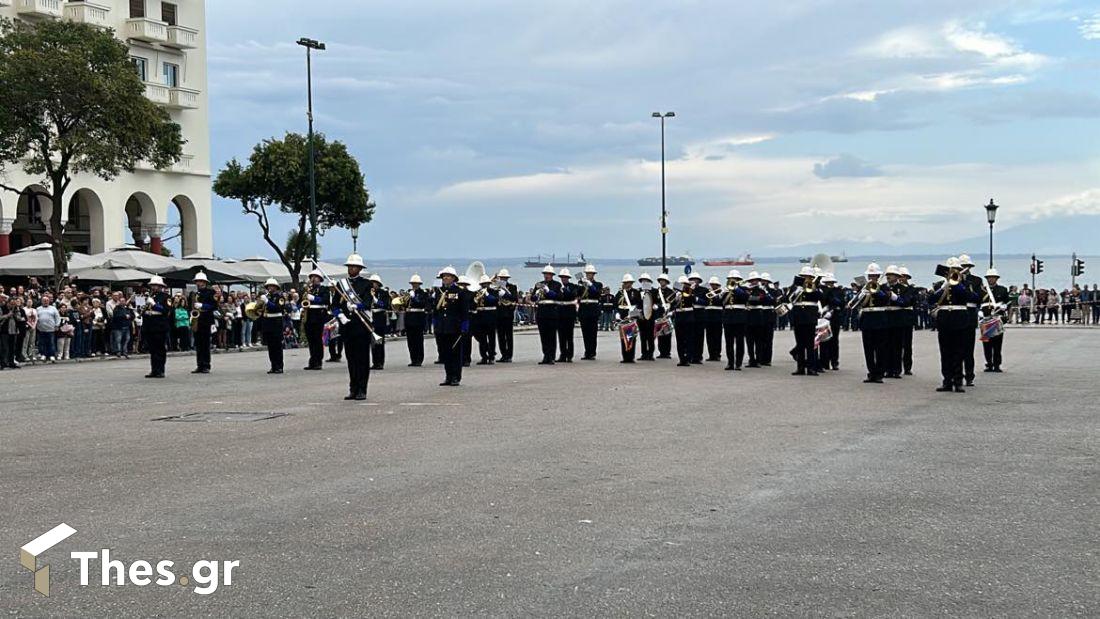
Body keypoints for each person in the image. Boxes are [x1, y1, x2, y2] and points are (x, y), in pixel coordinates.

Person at [931, 257, 978, 392]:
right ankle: (947, 381)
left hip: (960, 319)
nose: (953, 272)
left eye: (956, 270)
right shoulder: (941, 285)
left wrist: (959, 285)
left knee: (959, 352)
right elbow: (931, 299)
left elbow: (974, 298)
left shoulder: (966, 283)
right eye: (951, 270)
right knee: (945, 352)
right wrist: (944, 287)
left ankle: (958, 381)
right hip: (945, 319)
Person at [332, 254, 373, 400]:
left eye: (354, 266)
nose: (352, 269)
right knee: (351, 359)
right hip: (347, 326)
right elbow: (335, 305)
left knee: (362, 359)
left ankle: (362, 389)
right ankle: (353, 388)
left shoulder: (366, 284)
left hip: (361, 326)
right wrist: (340, 315)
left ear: (360, 268)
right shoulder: (341, 284)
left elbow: (368, 303)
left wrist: (357, 305)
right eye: (350, 266)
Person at [431, 266, 469, 386]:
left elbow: (464, 310)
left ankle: (456, 377)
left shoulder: (460, 292)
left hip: (455, 326)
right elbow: (435, 310)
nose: (445, 278)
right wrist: (435, 324)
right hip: (442, 326)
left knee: (455, 353)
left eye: (448, 276)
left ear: (453, 278)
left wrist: (464, 326)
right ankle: (448, 376)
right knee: (445, 353)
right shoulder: (438, 292)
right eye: (444, 276)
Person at [855, 263, 892, 384]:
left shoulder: (884, 287)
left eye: (874, 275)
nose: (872, 278)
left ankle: (880, 373)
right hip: (867, 320)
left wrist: (876, 291)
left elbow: (886, 299)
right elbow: (857, 302)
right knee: (868, 349)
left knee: (881, 348)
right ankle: (871, 372)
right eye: (870, 275)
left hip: (880, 319)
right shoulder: (864, 288)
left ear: (878, 276)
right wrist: (863, 293)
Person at [788, 266, 823, 376]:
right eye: (804, 276)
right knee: (800, 343)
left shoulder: (815, 287)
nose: (806, 278)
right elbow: (788, 299)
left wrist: (814, 288)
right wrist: (796, 290)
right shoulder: (795, 288)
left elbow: (821, 297)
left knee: (810, 344)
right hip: (798, 317)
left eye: (808, 276)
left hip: (810, 317)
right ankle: (800, 367)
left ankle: (812, 368)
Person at [302, 269, 331, 370]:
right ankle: (312, 361)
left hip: (318, 316)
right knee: (311, 340)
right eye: (311, 277)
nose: (313, 279)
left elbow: (326, 300)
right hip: (309, 315)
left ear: (320, 279)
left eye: (315, 277)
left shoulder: (324, 289)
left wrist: (314, 298)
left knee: (317, 339)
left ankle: (318, 361)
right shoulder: (308, 290)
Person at [143, 276, 172, 378]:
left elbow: (166, 310)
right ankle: (154, 370)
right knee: (152, 349)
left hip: (159, 325)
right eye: (152, 285)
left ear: (160, 286)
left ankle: (160, 370)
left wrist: (154, 304)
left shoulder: (166, 297)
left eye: (156, 285)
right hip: (149, 324)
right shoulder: (149, 296)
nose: (154, 287)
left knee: (160, 349)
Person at [532, 265, 562, 365]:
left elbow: (558, 296)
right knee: (543, 336)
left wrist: (548, 290)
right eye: (545, 274)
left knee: (551, 336)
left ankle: (552, 356)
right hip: (541, 313)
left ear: (552, 275)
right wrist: (536, 294)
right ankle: (545, 356)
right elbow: (533, 299)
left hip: (552, 312)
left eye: (548, 274)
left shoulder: (557, 285)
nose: (546, 276)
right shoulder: (538, 284)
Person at [981, 268, 1009, 373]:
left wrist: (1004, 307)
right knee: (987, 344)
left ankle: (997, 364)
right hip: (986, 319)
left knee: (997, 343)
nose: (991, 279)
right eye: (989, 278)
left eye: (993, 278)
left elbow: (1007, 302)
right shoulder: (982, 290)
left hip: (997, 319)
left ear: (996, 279)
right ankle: (989, 364)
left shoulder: (1002, 290)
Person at [958, 254, 980, 386]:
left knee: (968, 349)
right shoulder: (953, 280)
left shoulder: (975, 281)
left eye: (966, 266)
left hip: (970, 316)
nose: (964, 269)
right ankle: (957, 375)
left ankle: (969, 375)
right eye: (962, 266)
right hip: (957, 316)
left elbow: (977, 298)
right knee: (956, 348)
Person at [721, 270, 748, 371]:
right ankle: (730, 362)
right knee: (729, 342)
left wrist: (736, 288)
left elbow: (746, 298)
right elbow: (721, 302)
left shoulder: (744, 289)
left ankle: (738, 363)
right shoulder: (726, 290)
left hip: (740, 318)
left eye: (735, 279)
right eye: (731, 279)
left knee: (740, 342)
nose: (732, 281)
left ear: (739, 280)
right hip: (728, 318)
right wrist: (724, 292)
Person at [190, 272, 217, 374]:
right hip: (197, 321)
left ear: (205, 282)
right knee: (198, 344)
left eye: (200, 281)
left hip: (206, 320)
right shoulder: (194, 294)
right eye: (197, 281)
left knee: (205, 344)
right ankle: (199, 365)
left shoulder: (210, 292)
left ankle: (206, 365)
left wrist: (202, 306)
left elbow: (214, 306)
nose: (198, 283)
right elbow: (191, 307)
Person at [260, 278, 286, 374]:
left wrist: (267, 301)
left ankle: (279, 366)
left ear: (275, 287)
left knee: (277, 346)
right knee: (270, 346)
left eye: (271, 286)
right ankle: (273, 366)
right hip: (267, 322)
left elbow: (277, 308)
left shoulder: (280, 297)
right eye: (268, 286)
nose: (269, 288)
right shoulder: (267, 297)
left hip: (276, 322)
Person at [614, 273, 642, 362]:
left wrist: (632, 314)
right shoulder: (619, 293)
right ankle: (625, 357)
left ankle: (631, 357)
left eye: (629, 282)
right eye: (626, 282)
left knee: (631, 338)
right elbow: (615, 305)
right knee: (623, 338)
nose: (628, 284)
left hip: (631, 317)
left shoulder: (636, 292)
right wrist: (617, 314)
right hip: (622, 318)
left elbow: (639, 305)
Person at [403, 274, 430, 367]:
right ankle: (413, 359)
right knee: (410, 341)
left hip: (418, 318)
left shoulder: (423, 293)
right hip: (409, 318)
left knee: (418, 340)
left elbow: (423, 304)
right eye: (413, 283)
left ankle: (419, 359)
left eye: (416, 283)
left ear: (419, 284)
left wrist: (414, 298)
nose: (414, 285)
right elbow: (404, 304)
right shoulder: (408, 292)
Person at [577, 264, 603, 360]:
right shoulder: (582, 285)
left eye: (590, 274)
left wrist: (590, 284)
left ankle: (592, 352)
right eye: (587, 273)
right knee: (585, 333)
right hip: (584, 310)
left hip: (593, 310)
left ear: (593, 274)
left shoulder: (598, 284)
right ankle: (587, 352)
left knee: (593, 333)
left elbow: (596, 294)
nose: (588, 275)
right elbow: (578, 294)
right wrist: (581, 284)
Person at [473, 275, 499, 365]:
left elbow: (495, 301)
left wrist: (487, 294)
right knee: (482, 338)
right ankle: (484, 356)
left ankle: (491, 356)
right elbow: (474, 303)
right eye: (483, 284)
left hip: (491, 316)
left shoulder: (494, 292)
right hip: (480, 316)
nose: (485, 285)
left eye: (487, 284)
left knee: (491, 338)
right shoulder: (477, 292)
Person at [494, 269, 518, 362]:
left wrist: (505, 294)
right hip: (499, 314)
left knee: (508, 336)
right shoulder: (496, 288)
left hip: (508, 314)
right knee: (500, 336)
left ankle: (509, 355)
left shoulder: (512, 287)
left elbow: (514, 298)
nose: (503, 279)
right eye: (502, 278)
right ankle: (503, 354)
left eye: (505, 278)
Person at [367, 274, 390, 370]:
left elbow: (384, 305)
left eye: (374, 283)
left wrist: (375, 299)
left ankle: (380, 362)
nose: (373, 285)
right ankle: (375, 362)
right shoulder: (368, 293)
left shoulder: (383, 293)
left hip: (379, 318)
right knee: (372, 343)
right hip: (370, 317)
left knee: (379, 341)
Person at [673, 275, 696, 367]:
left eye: (684, 284)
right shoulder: (675, 293)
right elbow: (671, 304)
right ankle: (681, 358)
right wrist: (676, 298)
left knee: (689, 338)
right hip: (679, 317)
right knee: (680, 339)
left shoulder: (690, 291)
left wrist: (688, 291)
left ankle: (688, 358)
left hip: (688, 317)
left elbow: (693, 299)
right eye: (681, 284)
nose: (682, 285)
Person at [556, 268, 578, 362]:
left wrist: (564, 289)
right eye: (562, 277)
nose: (563, 279)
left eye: (565, 277)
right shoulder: (557, 286)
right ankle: (562, 354)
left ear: (568, 278)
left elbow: (572, 295)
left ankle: (570, 355)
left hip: (569, 314)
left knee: (569, 336)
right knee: (561, 336)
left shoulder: (573, 286)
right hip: (560, 313)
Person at [635, 273, 658, 361]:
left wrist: (655, 306)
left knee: (650, 336)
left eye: (646, 280)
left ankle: (651, 353)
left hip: (650, 315)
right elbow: (637, 303)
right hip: (641, 316)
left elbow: (656, 301)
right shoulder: (638, 291)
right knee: (643, 336)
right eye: (642, 280)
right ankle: (644, 353)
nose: (644, 282)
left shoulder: (654, 291)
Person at [35, 294, 61, 363]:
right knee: (42, 342)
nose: (45, 302)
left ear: (49, 301)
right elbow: (35, 318)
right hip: (41, 329)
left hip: (51, 329)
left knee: (51, 343)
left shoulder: (53, 308)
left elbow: (57, 317)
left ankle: (51, 355)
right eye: (44, 300)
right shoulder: (38, 309)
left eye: (47, 300)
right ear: (41, 301)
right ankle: (43, 354)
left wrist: (57, 325)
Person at [704, 276, 724, 362]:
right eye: (711, 284)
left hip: (718, 316)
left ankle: (717, 354)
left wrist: (715, 293)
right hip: (708, 316)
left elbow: (720, 301)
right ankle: (711, 354)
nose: (713, 286)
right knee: (709, 336)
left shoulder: (721, 292)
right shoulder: (707, 292)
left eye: (714, 285)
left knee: (717, 336)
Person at [655, 273, 675, 359]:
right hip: (659, 314)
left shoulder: (671, 292)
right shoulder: (656, 292)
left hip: (667, 314)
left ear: (666, 282)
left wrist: (672, 312)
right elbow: (653, 301)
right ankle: (661, 352)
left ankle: (667, 352)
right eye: (660, 280)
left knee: (667, 334)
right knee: (660, 334)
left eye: (663, 281)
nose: (662, 282)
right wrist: (654, 306)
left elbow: (674, 304)